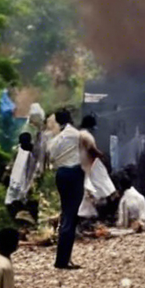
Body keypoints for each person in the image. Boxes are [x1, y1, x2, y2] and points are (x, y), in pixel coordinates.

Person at [48, 109, 85, 269]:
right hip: (75, 173)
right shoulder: (78, 135)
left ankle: (62, 258)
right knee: (71, 215)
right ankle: (63, 260)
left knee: (66, 213)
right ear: (70, 118)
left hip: (61, 174)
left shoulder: (54, 141)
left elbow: (51, 159)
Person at [4, 132, 38, 219]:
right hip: (17, 179)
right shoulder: (19, 150)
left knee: (22, 199)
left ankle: (25, 217)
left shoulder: (33, 152)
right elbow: (11, 163)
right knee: (15, 199)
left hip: (24, 180)